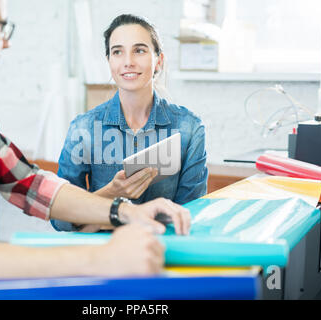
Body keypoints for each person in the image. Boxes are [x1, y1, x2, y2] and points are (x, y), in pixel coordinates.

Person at [0, 0, 192, 282]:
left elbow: (29, 183)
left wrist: (124, 210)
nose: (5, 42)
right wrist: (99, 259)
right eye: (1, 26)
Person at [53, 14, 208, 232]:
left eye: (140, 50)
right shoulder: (83, 129)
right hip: (102, 253)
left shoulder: (189, 129)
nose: (128, 62)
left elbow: (190, 214)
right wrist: (112, 192)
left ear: (159, 61)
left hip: (162, 249)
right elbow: (60, 220)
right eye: (117, 52)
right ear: (109, 62)